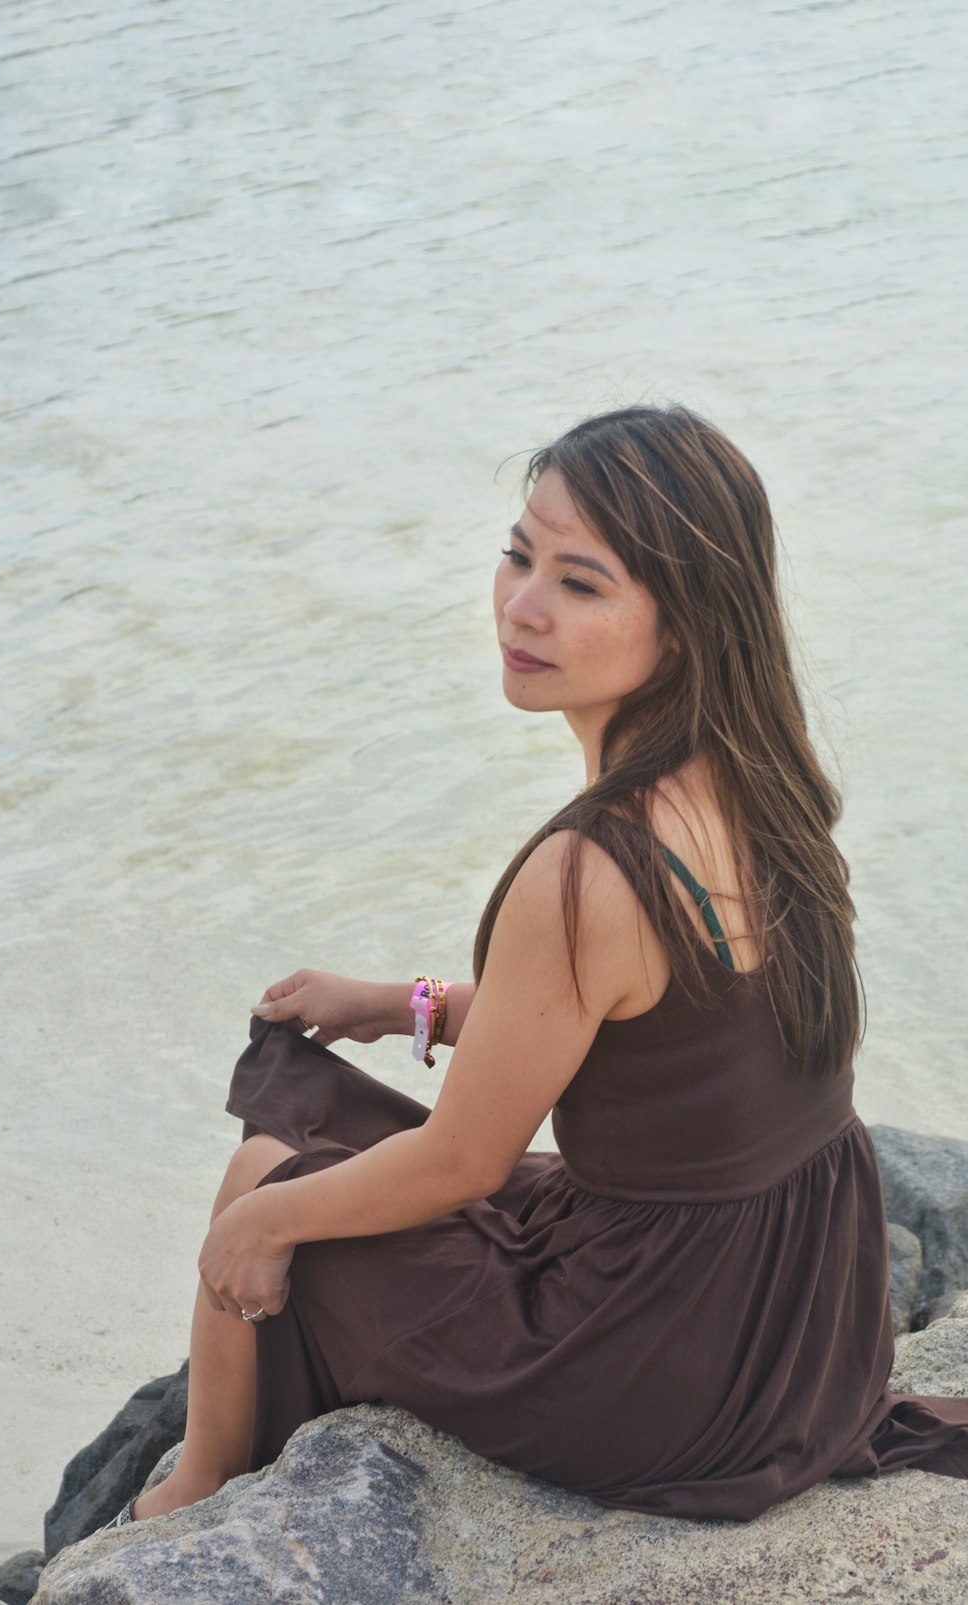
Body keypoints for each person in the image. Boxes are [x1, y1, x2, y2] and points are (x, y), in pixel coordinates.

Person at [108, 405, 967, 1528]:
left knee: (268, 1173)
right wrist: (404, 1005)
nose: (522, 605)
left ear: (688, 621)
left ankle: (199, 1494)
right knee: (320, 1127)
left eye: (581, 582)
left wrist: (257, 1231)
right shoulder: (764, 783)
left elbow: (462, 1161)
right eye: (518, 555)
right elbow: (668, 1033)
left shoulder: (586, 871)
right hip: (799, 1322)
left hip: (659, 1366)